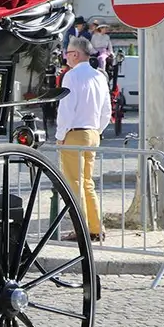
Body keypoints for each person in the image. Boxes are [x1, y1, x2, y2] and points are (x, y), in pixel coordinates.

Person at [55, 36, 111, 243]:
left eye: (67, 53)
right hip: (92, 133)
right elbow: (107, 111)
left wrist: (60, 135)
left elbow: (67, 109)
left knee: (74, 183)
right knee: (87, 183)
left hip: (75, 133)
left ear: (76, 54)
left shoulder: (71, 76)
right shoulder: (99, 76)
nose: (65, 57)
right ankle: (96, 227)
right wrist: (97, 130)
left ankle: (82, 229)